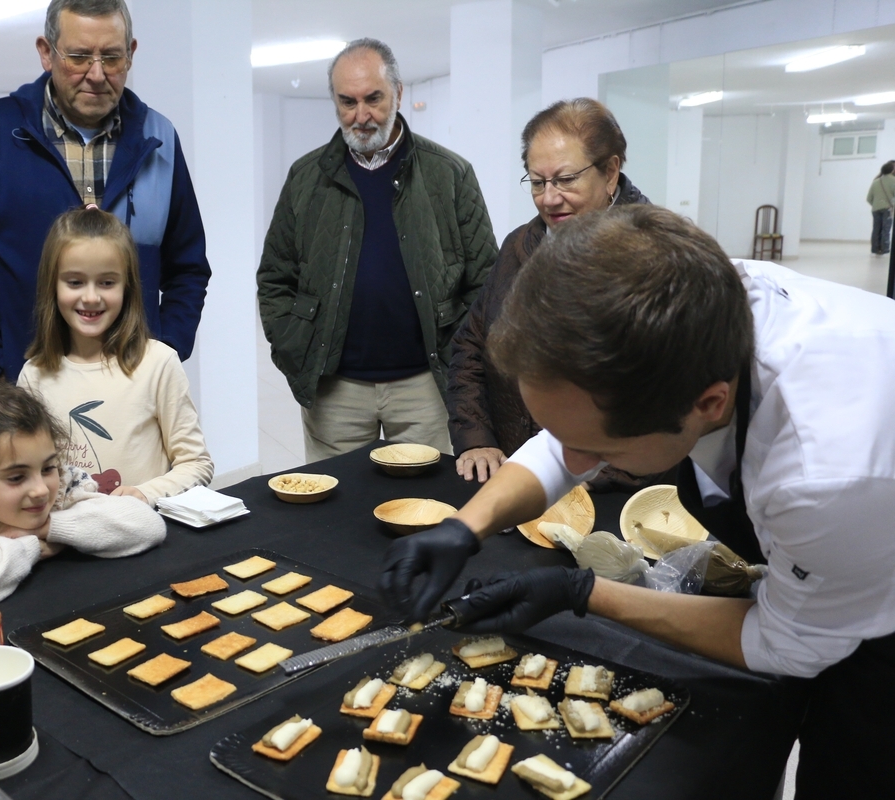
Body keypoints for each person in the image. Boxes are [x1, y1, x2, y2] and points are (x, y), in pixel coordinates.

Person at [379, 205, 895, 797]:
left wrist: (584, 592)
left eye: (596, 450)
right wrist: (465, 527)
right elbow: (571, 431)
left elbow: (783, 643)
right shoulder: (682, 312)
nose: (572, 465)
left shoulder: (824, 473)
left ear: (706, 405)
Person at [0, 0, 211, 383]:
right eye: (79, 56)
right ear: (46, 52)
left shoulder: (160, 138)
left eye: (112, 57)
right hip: (28, 396)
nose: (97, 74)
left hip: (133, 387)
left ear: (131, 54)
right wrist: (3, 370)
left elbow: (188, 268)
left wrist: (165, 352)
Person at [258, 38, 497, 463]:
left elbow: (485, 283)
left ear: (399, 93)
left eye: (374, 98)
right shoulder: (306, 177)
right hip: (335, 388)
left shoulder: (450, 173)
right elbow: (275, 278)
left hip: (426, 384)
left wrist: (461, 362)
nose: (361, 116)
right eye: (347, 102)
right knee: (337, 510)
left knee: (424, 506)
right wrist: (295, 348)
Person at [447, 99, 648, 483]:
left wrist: (579, 479)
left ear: (610, 172)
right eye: (537, 183)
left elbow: (666, 398)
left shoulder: (656, 254)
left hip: (602, 491)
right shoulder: (518, 246)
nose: (549, 198)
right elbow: (470, 347)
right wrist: (476, 439)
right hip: (512, 476)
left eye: (566, 179)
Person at [18, 206, 213, 506]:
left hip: (143, 534)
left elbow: (197, 464)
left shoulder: (158, 364)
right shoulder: (34, 375)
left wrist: (145, 494)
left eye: (107, 282)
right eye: (75, 282)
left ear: (128, 287)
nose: (92, 297)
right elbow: (25, 472)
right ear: (52, 286)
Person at [0, 381, 166, 610]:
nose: (41, 490)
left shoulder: (65, 482)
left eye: (48, 468)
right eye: (16, 477)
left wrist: (49, 527)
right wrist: (31, 546)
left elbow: (147, 524)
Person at [866, 160, 894, 256]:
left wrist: (876, 205)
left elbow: (869, 198)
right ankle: (884, 249)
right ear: (892, 170)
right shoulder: (893, 180)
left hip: (875, 209)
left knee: (876, 229)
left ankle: (875, 249)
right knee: (886, 229)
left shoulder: (876, 181)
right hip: (887, 209)